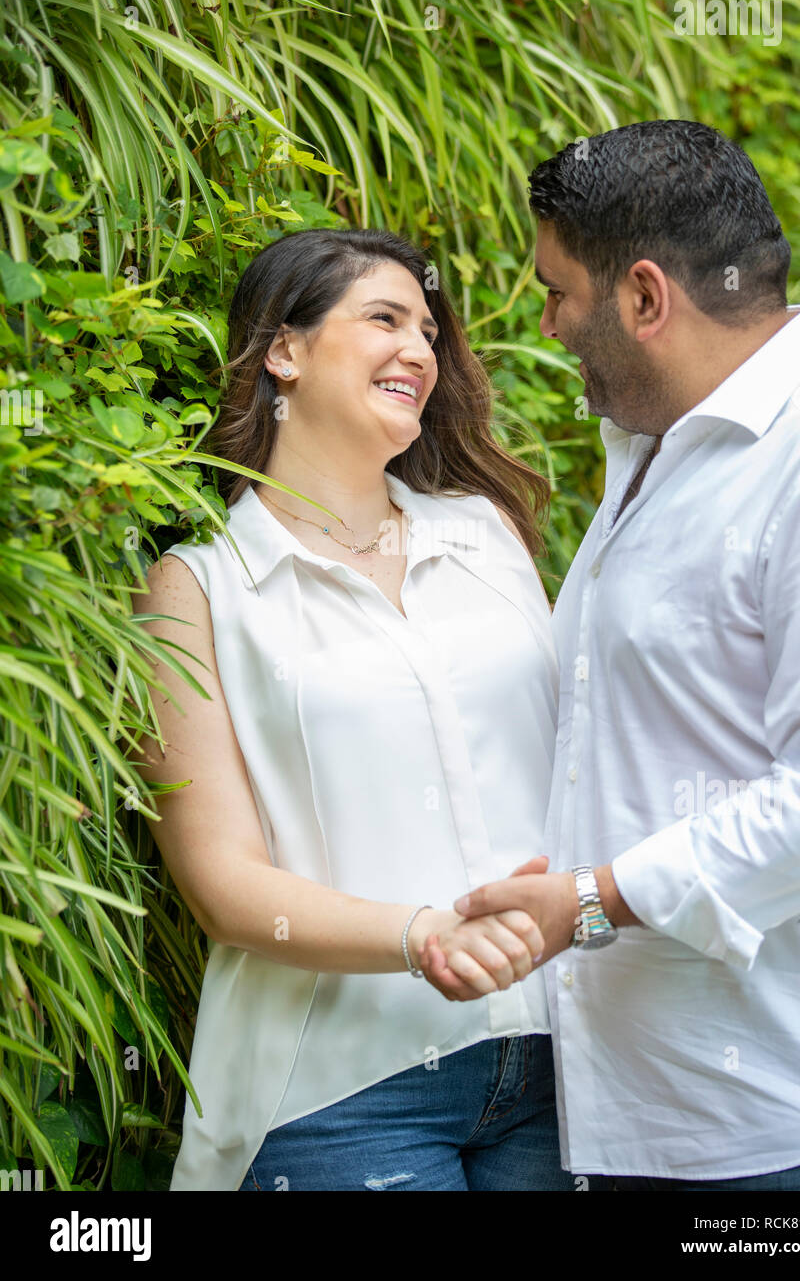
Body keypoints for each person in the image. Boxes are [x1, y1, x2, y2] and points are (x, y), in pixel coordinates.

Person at [421, 119, 800, 1191]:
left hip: (777, 1132)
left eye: (557, 291)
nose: (545, 322)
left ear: (645, 298)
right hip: (631, 1115)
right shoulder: (649, 448)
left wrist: (590, 897)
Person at [135, 227, 576, 1191]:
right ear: (282, 352)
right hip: (341, 1088)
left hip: (560, 1062)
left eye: (428, 330)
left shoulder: (489, 538)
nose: (419, 349)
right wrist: (420, 935)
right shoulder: (201, 588)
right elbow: (220, 879)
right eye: (384, 319)